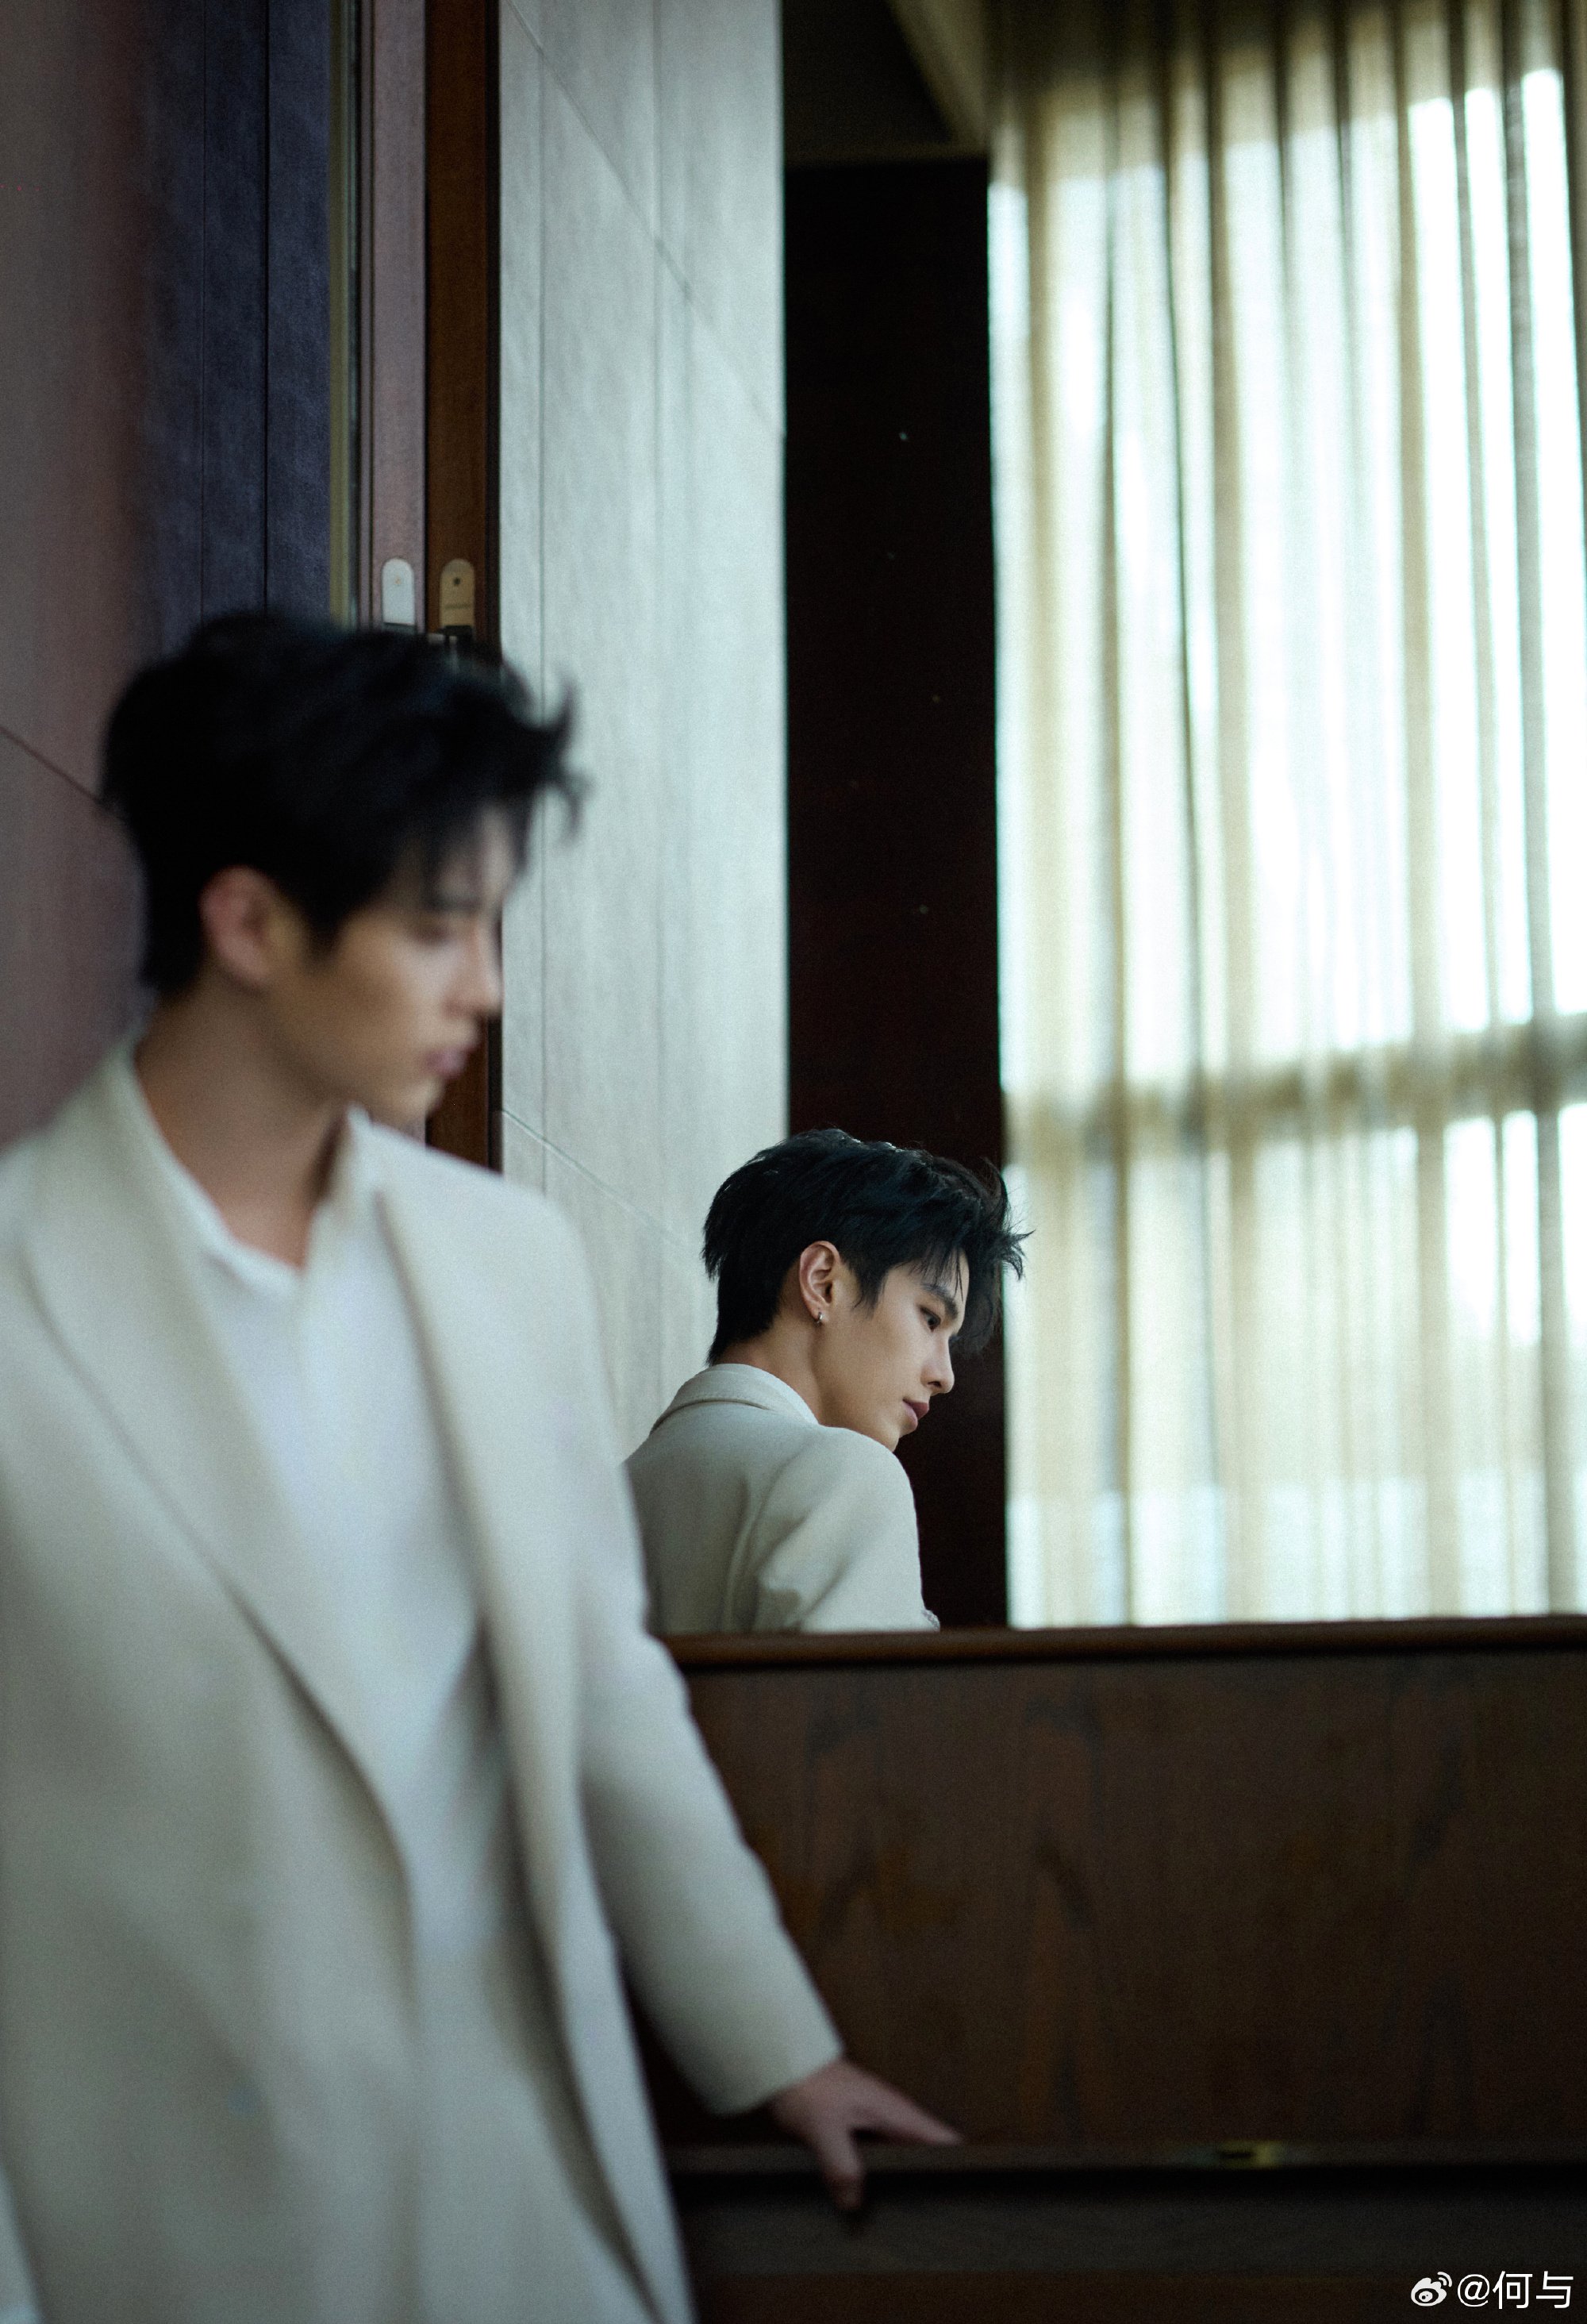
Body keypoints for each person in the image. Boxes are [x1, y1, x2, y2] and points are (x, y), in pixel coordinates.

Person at [0, 614, 955, 2324]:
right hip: (163, 2229)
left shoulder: (505, 1264)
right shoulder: (20, 1288)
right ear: (249, 922)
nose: (486, 987)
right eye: (443, 926)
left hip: (515, 2198)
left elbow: (607, 1699)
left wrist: (778, 2050)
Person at [625, 1129, 1024, 1634]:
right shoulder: (847, 1475)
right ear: (822, 1282)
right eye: (930, 1318)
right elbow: (856, 1691)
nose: (944, 1377)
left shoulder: (611, 1492)